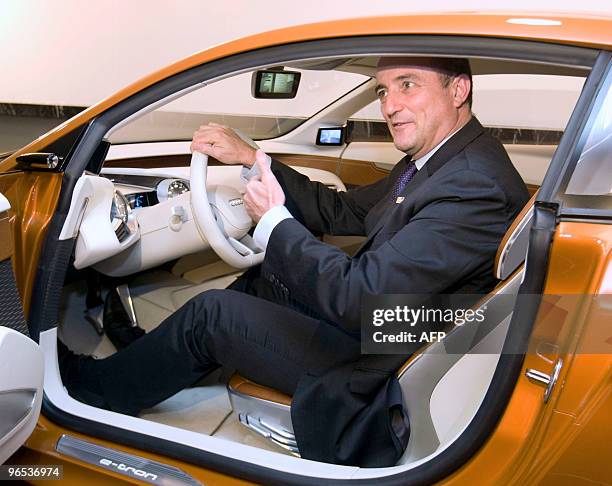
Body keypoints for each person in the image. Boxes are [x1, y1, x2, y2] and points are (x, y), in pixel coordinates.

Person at [59, 57, 530, 467]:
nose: (389, 105)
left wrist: (272, 223)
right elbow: (346, 211)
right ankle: (153, 354)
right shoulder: (442, 162)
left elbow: (361, 300)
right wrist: (252, 156)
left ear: (458, 90)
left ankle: (97, 389)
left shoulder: (471, 184)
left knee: (212, 314)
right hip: (389, 324)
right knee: (269, 273)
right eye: (384, 90)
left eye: (408, 84)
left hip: (378, 357)